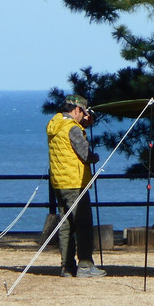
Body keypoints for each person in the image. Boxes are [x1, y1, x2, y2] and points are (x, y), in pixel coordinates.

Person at [46, 93, 106, 278]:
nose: (84, 117)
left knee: (65, 225)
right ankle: (86, 265)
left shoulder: (55, 125)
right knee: (84, 224)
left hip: (59, 182)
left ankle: (67, 266)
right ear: (77, 109)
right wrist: (94, 157)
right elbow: (85, 155)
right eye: (83, 113)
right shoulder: (72, 128)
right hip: (75, 183)